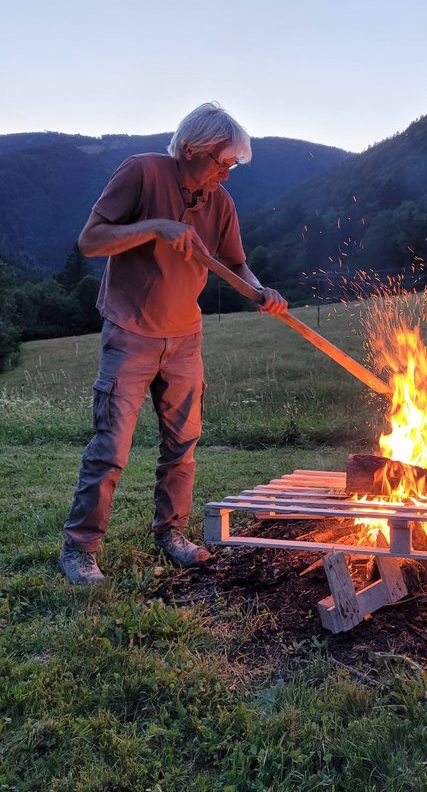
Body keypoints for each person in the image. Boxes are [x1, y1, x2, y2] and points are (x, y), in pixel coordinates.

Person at [59, 102, 288, 585]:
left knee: (182, 446)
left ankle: (171, 534)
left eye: (232, 166)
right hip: (130, 331)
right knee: (111, 447)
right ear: (191, 149)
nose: (226, 175)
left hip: (185, 338)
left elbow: (236, 264)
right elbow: (90, 241)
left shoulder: (220, 203)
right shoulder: (142, 173)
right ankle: (79, 548)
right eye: (222, 162)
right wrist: (156, 228)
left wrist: (260, 291)